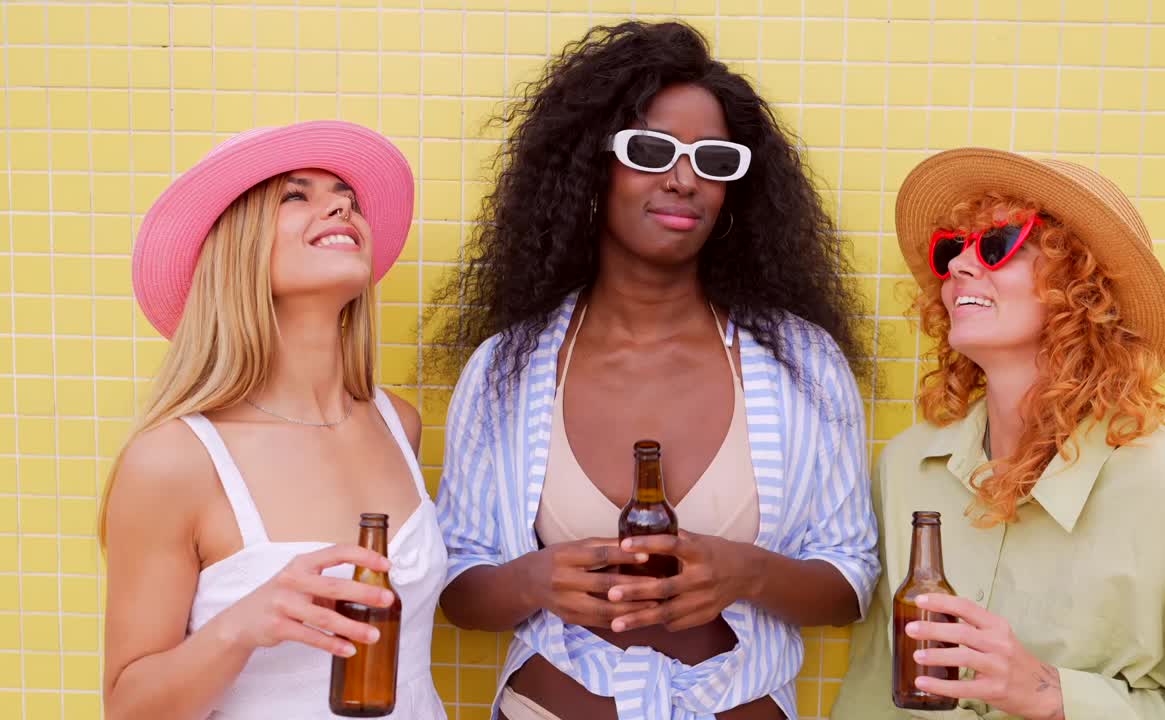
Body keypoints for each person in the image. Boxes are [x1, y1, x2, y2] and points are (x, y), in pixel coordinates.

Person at [430, 20, 880, 720]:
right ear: (590, 166)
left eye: (714, 162)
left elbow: (851, 578)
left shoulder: (804, 366)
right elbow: (458, 584)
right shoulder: (506, 372)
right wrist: (532, 580)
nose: (682, 180)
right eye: (650, 151)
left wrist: (749, 574)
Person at [832, 147, 1165, 719]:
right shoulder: (906, 468)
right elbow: (875, 689)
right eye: (951, 251)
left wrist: (1051, 691)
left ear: (1083, 289)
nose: (961, 268)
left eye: (997, 245)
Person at [100, 120, 448, 719]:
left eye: (348, 197)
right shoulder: (175, 460)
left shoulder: (398, 424)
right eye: (297, 194)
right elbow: (127, 709)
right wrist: (243, 625)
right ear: (238, 246)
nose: (341, 204)